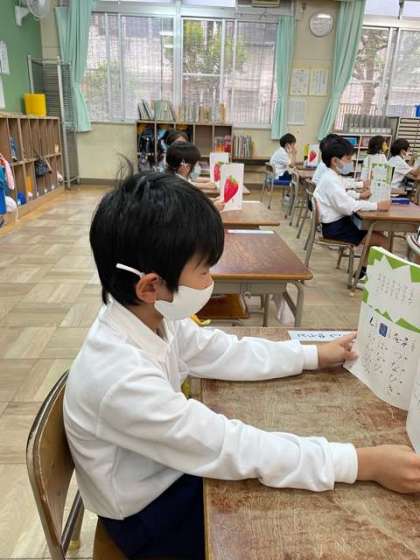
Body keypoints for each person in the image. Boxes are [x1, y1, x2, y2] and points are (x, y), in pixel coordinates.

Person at [64, 171, 420, 560]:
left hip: (166, 470)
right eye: (203, 270)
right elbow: (230, 445)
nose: (210, 280)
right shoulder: (120, 378)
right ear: (150, 286)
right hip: (148, 514)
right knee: (292, 527)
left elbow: (222, 351)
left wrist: (311, 355)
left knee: (285, 479)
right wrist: (362, 463)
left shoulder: (150, 316)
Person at [314, 137, 391, 286]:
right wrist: (377, 205)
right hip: (336, 228)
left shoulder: (331, 176)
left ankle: (362, 272)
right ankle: (368, 278)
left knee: (377, 234)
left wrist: (362, 188)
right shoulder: (331, 181)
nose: (351, 162)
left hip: (336, 224)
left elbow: (344, 188)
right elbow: (349, 206)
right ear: (335, 161)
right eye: (348, 159)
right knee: (382, 240)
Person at [166, 141, 224, 211]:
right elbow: (191, 210)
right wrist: (214, 207)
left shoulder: (171, 179)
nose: (197, 167)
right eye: (195, 164)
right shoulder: (180, 187)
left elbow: (195, 201)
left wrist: (212, 201)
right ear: (186, 167)